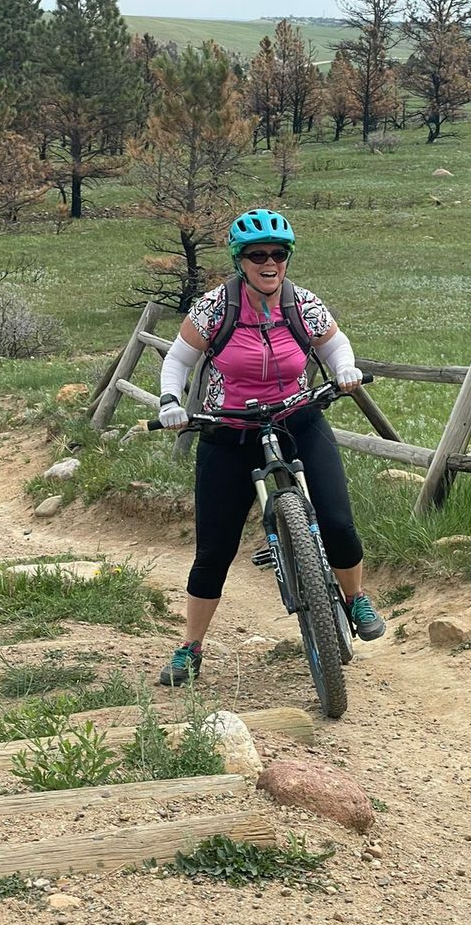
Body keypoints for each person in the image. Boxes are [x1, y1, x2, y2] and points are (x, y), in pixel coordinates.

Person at [155, 207, 386, 687]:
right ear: (240, 261)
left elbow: (335, 345)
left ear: (287, 258)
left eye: (278, 254)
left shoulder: (302, 304)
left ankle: (355, 598)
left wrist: (344, 369)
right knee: (214, 550)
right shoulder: (215, 308)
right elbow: (178, 361)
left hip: (297, 419)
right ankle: (190, 647)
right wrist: (171, 401)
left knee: (338, 522)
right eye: (257, 255)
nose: (269, 263)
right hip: (229, 430)